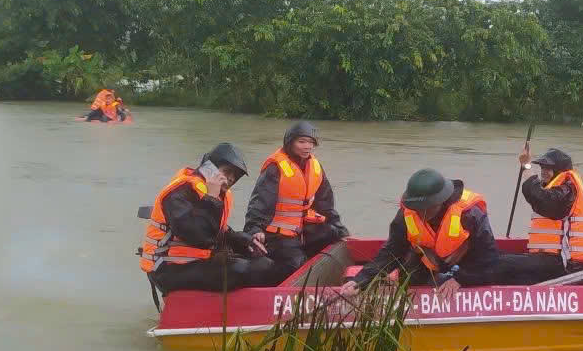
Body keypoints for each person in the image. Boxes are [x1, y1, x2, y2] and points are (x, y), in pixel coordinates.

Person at [140, 143, 284, 292]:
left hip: (194, 261)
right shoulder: (181, 191)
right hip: (167, 268)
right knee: (246, 269)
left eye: (235, 175)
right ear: (209, 168)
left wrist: (243, 240)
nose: (231, 178)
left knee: (265, 262)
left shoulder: (217, 193)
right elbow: (198, 236)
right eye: (227, 172)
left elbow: (217, 230)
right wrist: (211, 198)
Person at [337, 169, 499, 299]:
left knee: (491, 273)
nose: (421, 214)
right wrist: (361, 280)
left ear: (441, 201)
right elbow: (392, 252)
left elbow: (488, 257)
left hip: (468, 264)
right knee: (407, 279)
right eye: (417, 209)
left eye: (427, 208)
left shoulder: (470, 214)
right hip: (427, 261)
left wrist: (461, 279)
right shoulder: (407, 214)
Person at [244, 121, 348, 278]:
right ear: (290, 142)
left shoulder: (315, 166)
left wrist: (338, 227)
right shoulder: (275, 168)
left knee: (333, 233)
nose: (307, 146)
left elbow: (325, 203)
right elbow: (260, 202)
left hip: (303, 228)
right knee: (296, 263)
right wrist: (255, 229)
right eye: (302, 142)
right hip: (277, 235)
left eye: (311, 142)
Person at [496, 146, 583, 284]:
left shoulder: (568, 190)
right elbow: (537, 196)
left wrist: (526, 166)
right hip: (549, 259)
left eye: (548, 168)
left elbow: (540, 197)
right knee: (500, 258)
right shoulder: (556, 190)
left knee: (501, 263)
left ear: (559, 171)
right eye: (542, 168)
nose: (543, 172)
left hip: (565, 263)